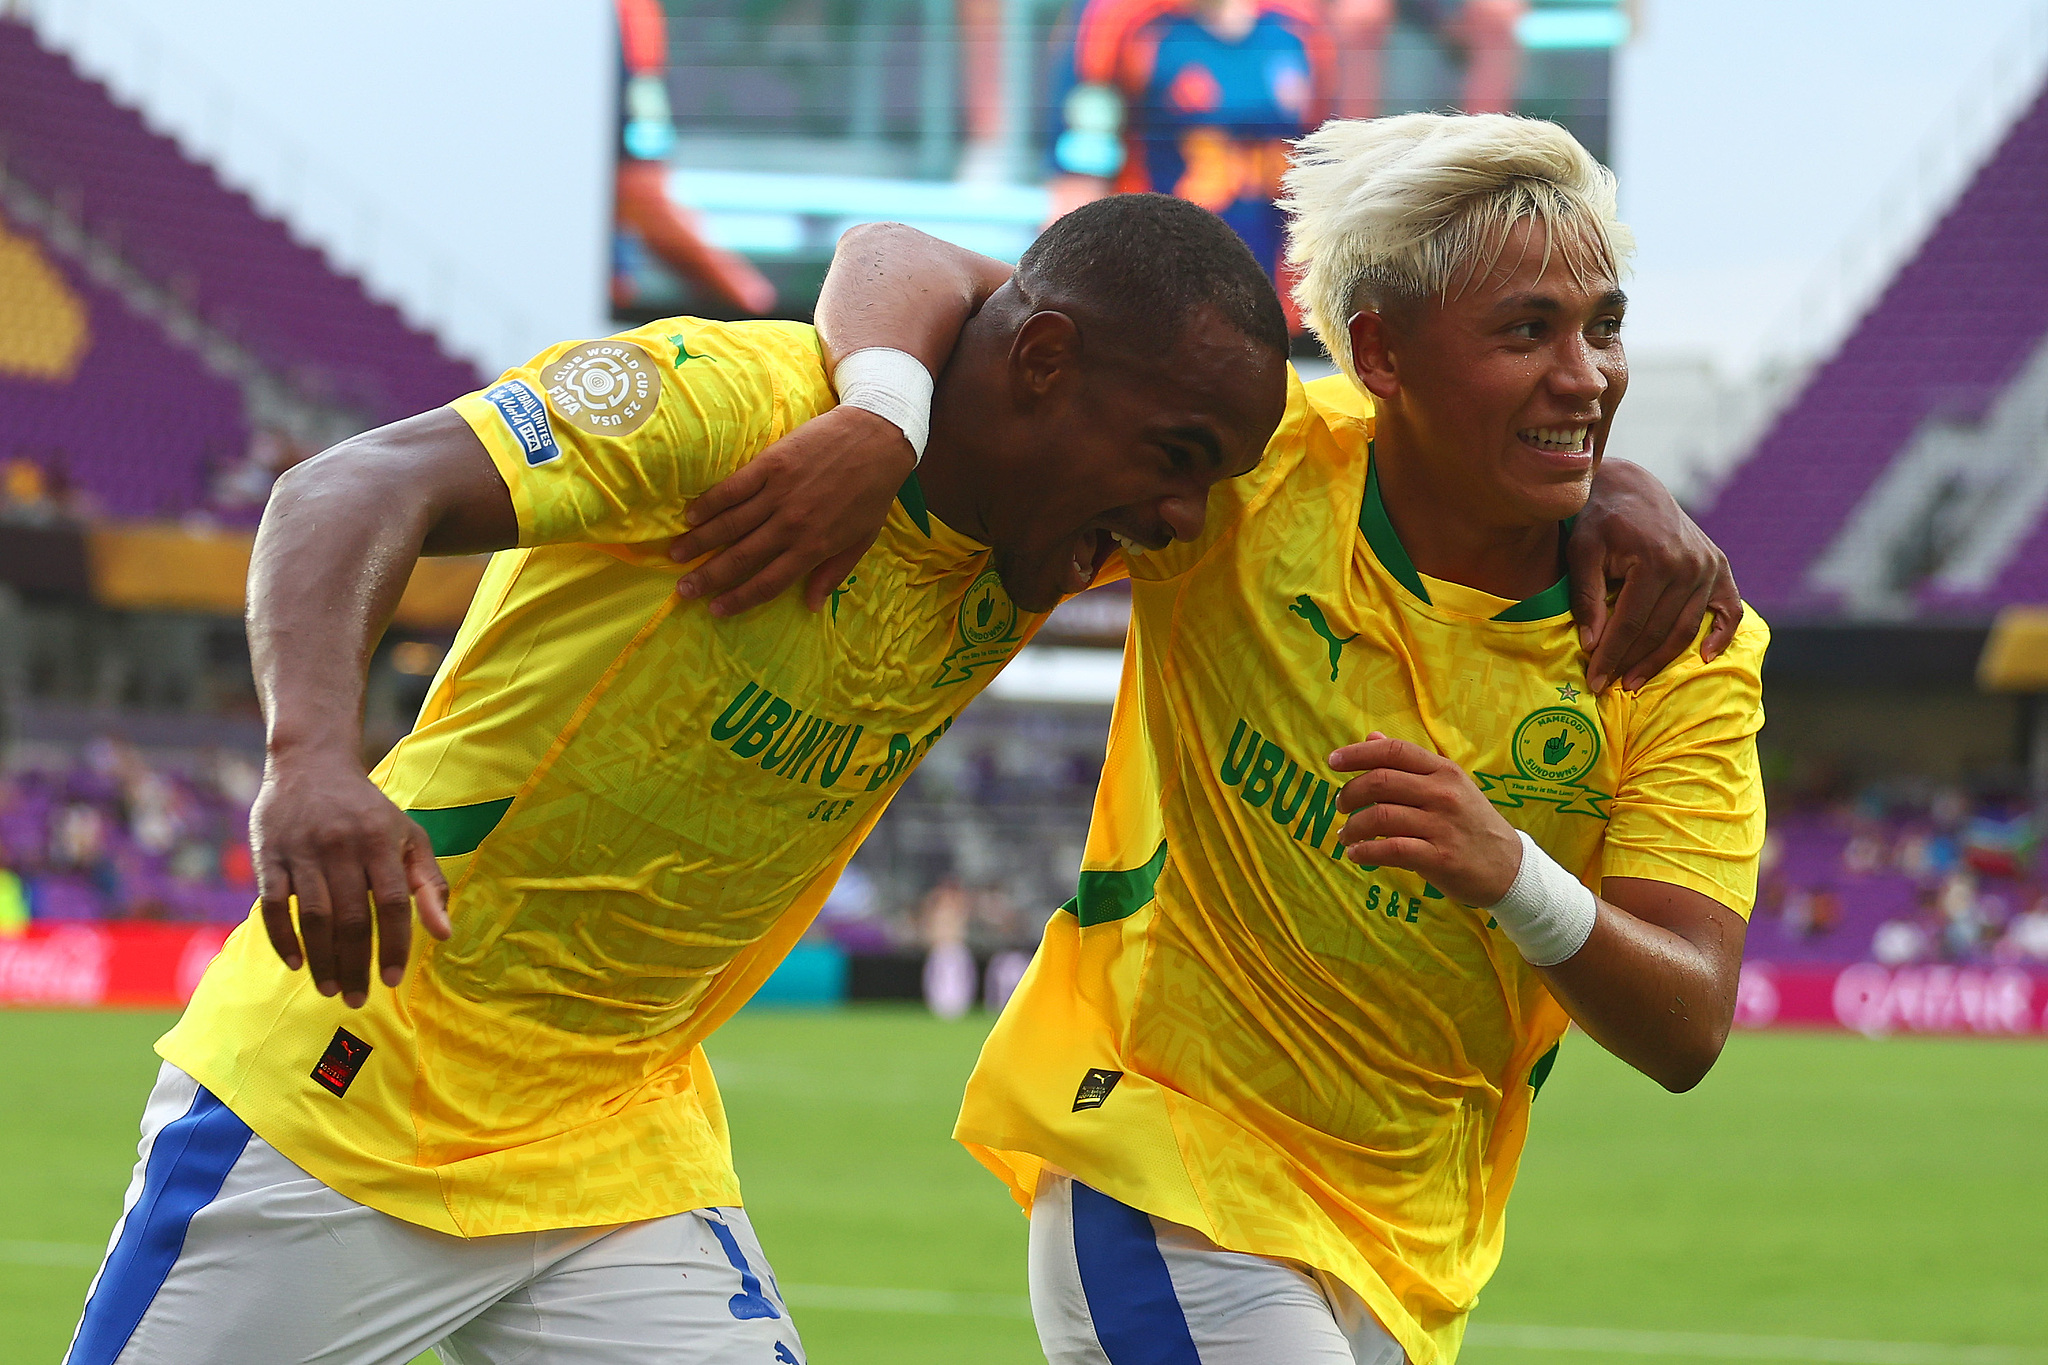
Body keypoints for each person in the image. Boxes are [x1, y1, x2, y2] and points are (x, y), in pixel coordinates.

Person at [63, 193, 1291, 1365]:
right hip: (353, 1082)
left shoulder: (1049, 526)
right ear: (1043, 366)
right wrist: (313, 760)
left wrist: (886, 412)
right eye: (1175, 456)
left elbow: (929, 264)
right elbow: (347, 485)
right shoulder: (725, 406)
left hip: (614, 1133)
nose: (1185, 517)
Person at [676, 114, 1765, 1363]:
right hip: (1157, 1159)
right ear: (1379, 352)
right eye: (1525, 331)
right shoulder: (1243, 479)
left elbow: (1686, 1027)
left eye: (1602, 327)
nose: (1584, 375)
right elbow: (900, 255)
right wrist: (881, 412)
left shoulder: (1680, 640)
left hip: (1408, 1241)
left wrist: (1512, 873)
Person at [1043, 0, 1334, 295]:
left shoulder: (1299, 22)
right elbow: (1080, 177)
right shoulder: (1117, 18)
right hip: (1157, 288)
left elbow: (1319, 156)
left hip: (1275, 288)